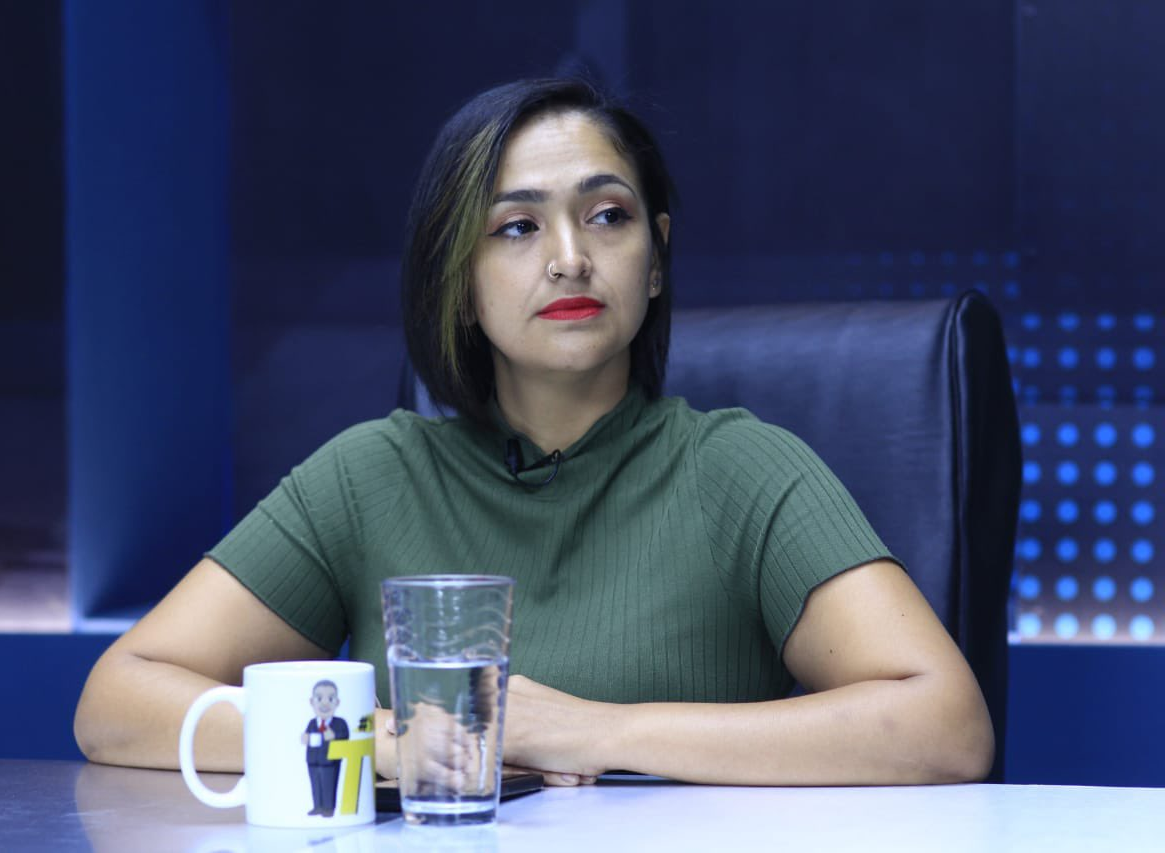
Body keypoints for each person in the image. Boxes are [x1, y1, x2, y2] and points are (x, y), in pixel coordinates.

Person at [74, 77, 994, 787]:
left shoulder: (744, 470)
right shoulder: (370, 476)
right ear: (458, 281)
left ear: (656, 260)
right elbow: (117, 703)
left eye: (608, 216)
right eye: (516, 227)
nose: (570, 257)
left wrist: (595, 731)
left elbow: (947, 727)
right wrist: (384, 740)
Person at [303, 679, 350, 816]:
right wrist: (305, 738)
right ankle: (317, 806)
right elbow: (307, 736)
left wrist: (334, 736)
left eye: (330, 699)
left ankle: (329, 808)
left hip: (331, 761)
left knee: (329, 784)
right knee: (315, 784)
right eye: (319, 699)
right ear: (312, 702)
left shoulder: (339, 723)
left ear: (337, 702)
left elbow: (345, 737)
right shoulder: (312, 723)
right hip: (313, 760)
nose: (325, 703)